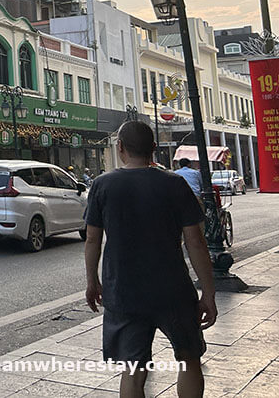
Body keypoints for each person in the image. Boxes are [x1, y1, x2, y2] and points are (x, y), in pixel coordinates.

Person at [85, 121, 216, 398]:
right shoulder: (175, 184)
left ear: (120, 147)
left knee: (132, 371)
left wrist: (92, 281)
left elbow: (92, 240)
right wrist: (209, 293)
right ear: (154, 149)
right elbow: (196, 243)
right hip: (173, 291)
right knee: (189, 360)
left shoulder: (102, 185)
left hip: (123, 292)